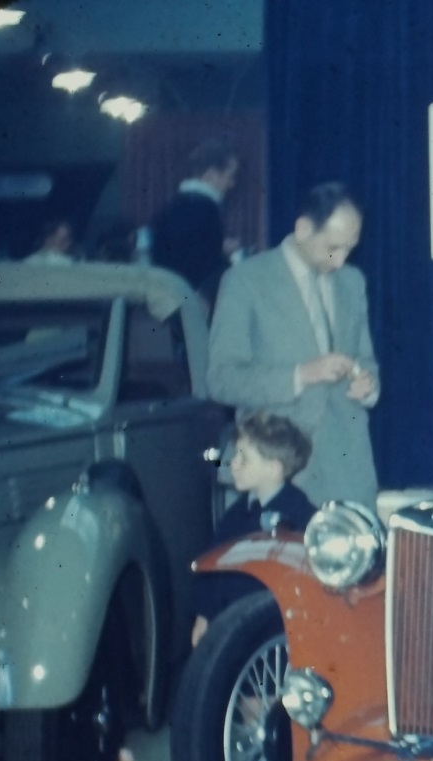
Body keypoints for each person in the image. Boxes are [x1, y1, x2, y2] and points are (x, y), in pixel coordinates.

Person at [206, 182, 381, 508]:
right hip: (275, 466)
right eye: (333, 247)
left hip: (348, 469)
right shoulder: (245, 281)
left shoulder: (352, 283)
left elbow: (365, 359)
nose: (341, 260)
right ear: (302, 229)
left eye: (349, 249)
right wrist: (301, 375)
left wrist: (367, 386)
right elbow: (221, 379)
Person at [190, 413, 317, 647]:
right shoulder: (236, 514)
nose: (234, 464)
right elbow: (212, 567)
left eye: (244, 459)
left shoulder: (300, 515)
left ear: (273, 468)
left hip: (273, 634)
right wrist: (203, 615)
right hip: (230, 627)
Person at [151, 137, 241, 308]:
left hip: (170, 297)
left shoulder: (173, 205)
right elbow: (202, 264)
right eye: (229, 177)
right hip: (194, 302)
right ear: (211, 175)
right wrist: (223, 250)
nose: (232, 184)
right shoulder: (205, 208)